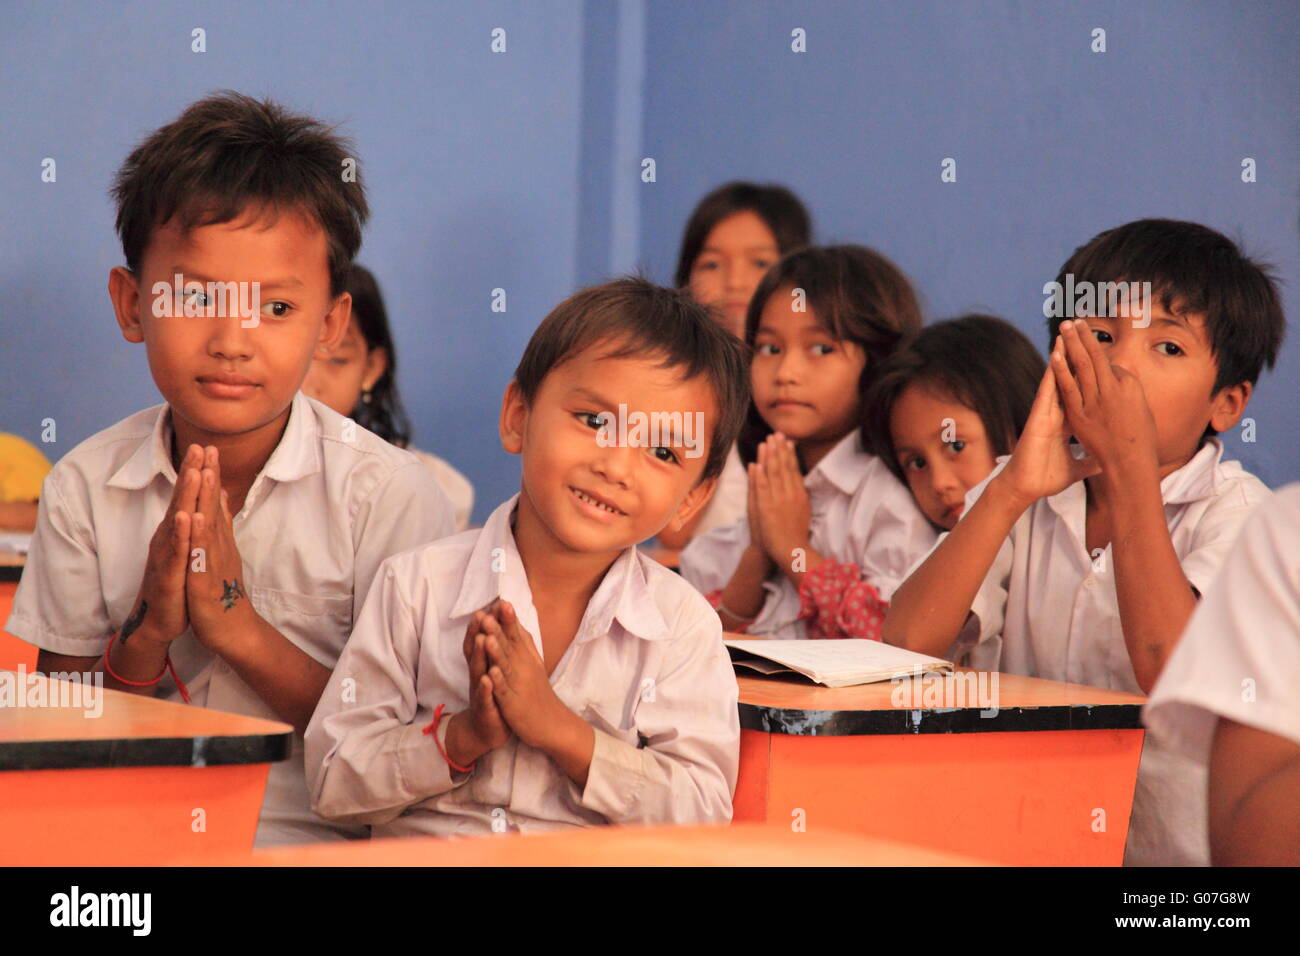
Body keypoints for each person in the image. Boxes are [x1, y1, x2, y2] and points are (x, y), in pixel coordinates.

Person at [5, 91, 455, 846]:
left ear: (330, 325)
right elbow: (64, 726)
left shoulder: (391, 496)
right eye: (193, 296)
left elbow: (403, 747)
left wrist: (239, 629)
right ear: (131, 303)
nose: (233, 340)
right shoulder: (85, 487)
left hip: (318, 841)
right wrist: (146, 633)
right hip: (129, 838)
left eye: (276, 309)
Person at [884, 218, 1286, 865]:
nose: (1121, 362)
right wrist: (1012, 486)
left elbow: (1172, 672)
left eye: (1168, 348)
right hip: (1022, 843)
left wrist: (1129, 471)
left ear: (1227, 403)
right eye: (1101, 336)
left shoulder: (1240, 518)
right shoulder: (1024, 490)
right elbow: (905, 643)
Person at [305, 277, 749, 835]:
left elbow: (703, 814)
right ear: (518, 415)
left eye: (661, 450)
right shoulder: (417, 586)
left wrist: (563, 733)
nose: (616, 466)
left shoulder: (682, 628)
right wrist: (461, 737)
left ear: (693, 497)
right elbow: (331, 781)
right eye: (594, 422)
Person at [680, 245, 935, 641]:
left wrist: (791, 549)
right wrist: (759, 555)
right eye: (769, 348)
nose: (786, 372)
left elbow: (898, 641)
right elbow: (696, 643)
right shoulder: (770, 482)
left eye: (820, 348)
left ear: (879, 360)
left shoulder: (893, 498)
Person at [1142, 483, 1300, 866]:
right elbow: (1250, 848)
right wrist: (1131, 475)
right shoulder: (1286, 527)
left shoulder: (1239, 506)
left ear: (1226, 417)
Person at [658, 181, 812, 547]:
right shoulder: (675, 386)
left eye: (760, 263)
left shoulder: (807, 397)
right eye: (712, 264)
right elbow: (672, 531)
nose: (736, 282)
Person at [303, 263, 474, 530]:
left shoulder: (426, 486)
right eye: (301, 355)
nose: (308, 383)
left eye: (336, 359)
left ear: (371, 368)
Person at [865, 315, 1044, 532]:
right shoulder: (923, 556)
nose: (939, 484)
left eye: (955, 446)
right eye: (917, 463)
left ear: (1023, 424)